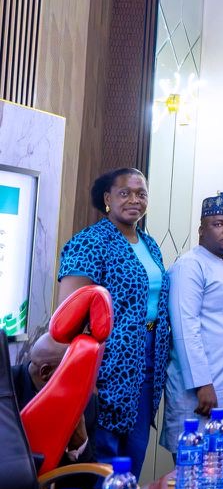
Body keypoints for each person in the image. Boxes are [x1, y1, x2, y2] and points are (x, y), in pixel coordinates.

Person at [57, 167, 169, 473]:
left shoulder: (149, 244)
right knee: (103, 455)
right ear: (108, 198)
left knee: (133, 455)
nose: (134, 200)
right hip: (105, 363)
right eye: (125, 193)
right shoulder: (90, 242)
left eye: (141, 194)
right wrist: (82, 375)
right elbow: (68, 318)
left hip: (147, 361)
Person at [162, 193, 223, 452]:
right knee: (195, 463)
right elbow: (185, 329)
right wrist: (201, 383)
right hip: (203, 389)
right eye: (218, 224)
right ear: (201, 230)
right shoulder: (190, 266)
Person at [14, 332, 97, 467]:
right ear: (45, 372)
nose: (79, 379)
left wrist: (79, 445)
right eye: (72, 370)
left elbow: (89, 476)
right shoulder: (7, 390)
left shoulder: (87, 403)